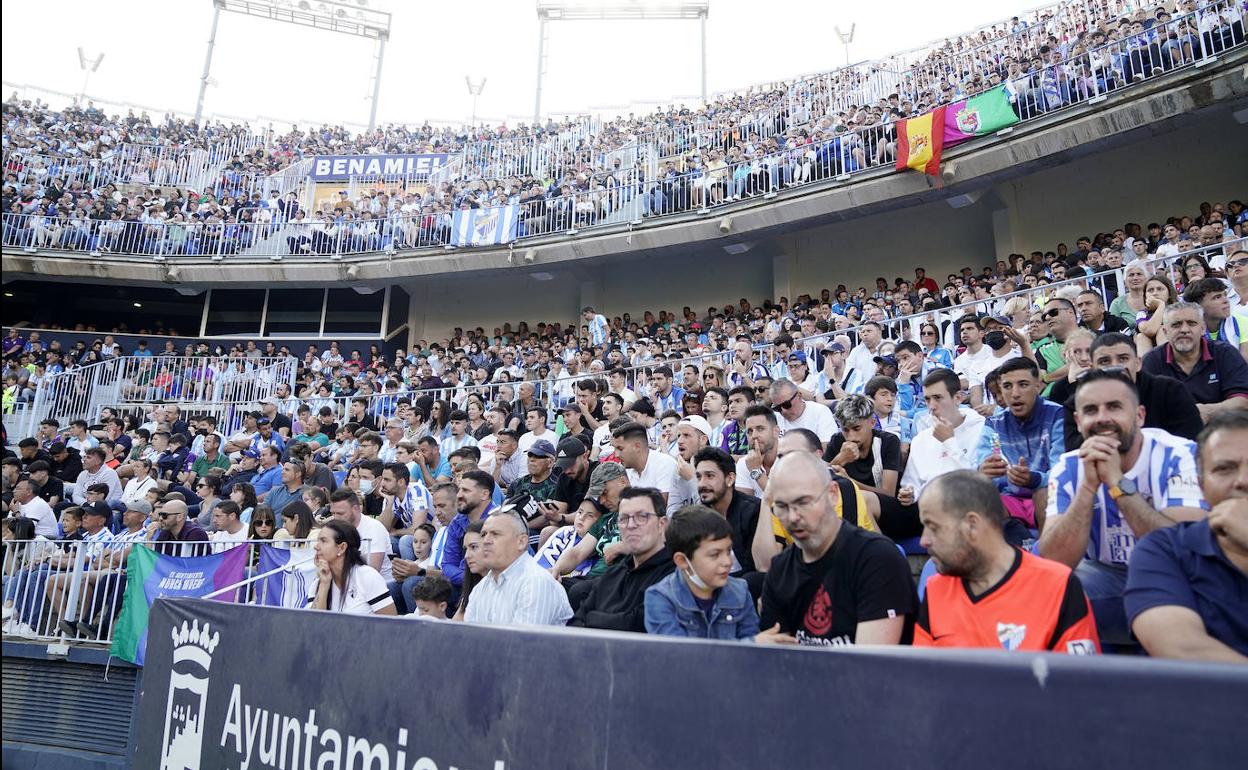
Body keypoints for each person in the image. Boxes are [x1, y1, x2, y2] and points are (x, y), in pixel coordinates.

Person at [1039, 370, 1209, 646]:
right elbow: (1056, 561)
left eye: (1115, 407)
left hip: (1175, 574)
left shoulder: (1180, 455)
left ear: (1140, 416)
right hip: (1104, 573)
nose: (1103, 418)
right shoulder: (1069, 467)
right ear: (1079, 422)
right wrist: (1087, 489)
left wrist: (1117, 482)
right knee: (1047, 589)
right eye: (1091, 410)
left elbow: (1185, 550)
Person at [914, 470, 1100, 653]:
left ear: (972, 525)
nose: (924, 540)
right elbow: (920, 676)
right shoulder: (936, 589)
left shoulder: (1058, 586)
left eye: (933, 527)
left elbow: (1078, 680)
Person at [1124, 412, 1248, 661]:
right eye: (1224, 469)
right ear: (1201, 487)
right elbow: (1180, 647)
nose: (1243, 481)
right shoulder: (1164, 550)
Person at [757, 452, 915, 647]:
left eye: (803, 502)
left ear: (832, 494)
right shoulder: (781, 569)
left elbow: (872, 666)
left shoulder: (877, 558)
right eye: (781, 506)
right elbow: (776, 659)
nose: (792, 517)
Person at [974, 358, 1065, 532]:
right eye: (1007, 386)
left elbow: (1061, 473)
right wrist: (984, 472)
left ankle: (1048, 554)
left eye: (1023, 385)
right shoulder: (993, 424)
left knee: (1043, 493)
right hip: (1011, 500)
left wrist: (1034, 479)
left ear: (1038, 386)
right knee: (978, 498)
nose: (1015, 393)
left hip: (1049, 496)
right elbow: (980, 467)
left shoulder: (1057, 415)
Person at [644, 505, 761, 640]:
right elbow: (681, 656)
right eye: (714, 555)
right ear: (682, 561)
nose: (727, 562)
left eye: (728, 551)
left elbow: (751, 654)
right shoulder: (660, 598)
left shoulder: (740, 590)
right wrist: (752, 643)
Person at [569, 487, 675, 632]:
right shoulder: (614, 574)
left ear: (662, 524)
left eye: (642, 517)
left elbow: (637, 625)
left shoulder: (674, 575)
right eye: (624, 518)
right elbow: (575, 622)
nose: (631, 525)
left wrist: (592, 618)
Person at [1141, 302, 1248, 420]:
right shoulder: (1152, 361)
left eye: (1191, 323)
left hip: (1221, 428)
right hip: (1172, 433)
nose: (1184, 330)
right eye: (1176, 325)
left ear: (1203, 328)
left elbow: (1242, 400)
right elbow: (1145, 408)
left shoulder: (1225, 354)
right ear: (1165, 332)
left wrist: (1208, 411)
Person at [465, 511, 573, 626]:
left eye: (495, 534)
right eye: (483, 535)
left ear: (521, 542)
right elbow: (469, 638)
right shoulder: (481, 588)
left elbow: (524, 642)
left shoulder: (536, 582)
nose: (486, 541)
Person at [898, 369, 986, 506]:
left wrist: (949, 442)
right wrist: (909, 493)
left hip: (967, 505)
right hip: (926, 509)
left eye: (937, 398)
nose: (931, 406)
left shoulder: (981, 430)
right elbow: (911, 483)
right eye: (927, 399)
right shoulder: (921, 439)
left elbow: (976, 485)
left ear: (958, 398)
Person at [310, 519, 396, 615]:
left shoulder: (367, 577)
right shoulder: (318, 583)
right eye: (317, 541)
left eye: (323, 541)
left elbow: (391, 623)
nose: (316, 546)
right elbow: (313, 625)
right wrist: (324, 584)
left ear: (342, 547)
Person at [611, 421, 679, 514]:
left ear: (637, 446)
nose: (616, 455)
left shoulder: (665, 464)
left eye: (620, 448)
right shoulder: (628, 471)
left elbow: (660, 508)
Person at [327, 488, 392, 583]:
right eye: (333, 513)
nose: (336, 518)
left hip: (379, 585)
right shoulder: (334, 529)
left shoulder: (374, 528)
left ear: (356, 509)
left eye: (340, 513)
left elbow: (373, 570)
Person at [770, 378, 837, 448]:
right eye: (777, 408)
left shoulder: (820, 412)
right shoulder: (775, 418)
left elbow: (826, 448)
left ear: (799, 396)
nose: (783, 411)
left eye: (786, 405)